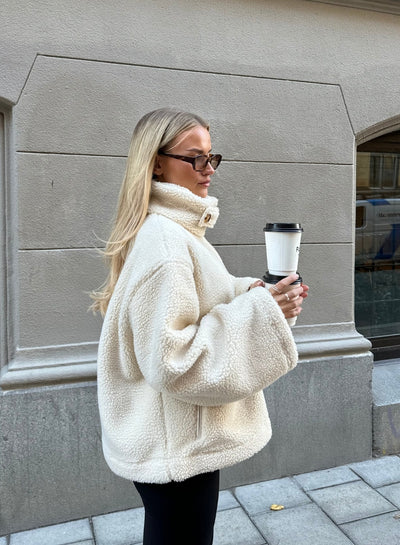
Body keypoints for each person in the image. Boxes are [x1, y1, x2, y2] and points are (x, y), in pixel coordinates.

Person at [91, 107, 308, 545]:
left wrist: (257, 293)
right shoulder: (166, 243)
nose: (208, 169)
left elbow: (203, 295)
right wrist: (261, 311)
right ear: (157, 163)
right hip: (178, 448)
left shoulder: (175, 230)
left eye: (212, 157)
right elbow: (173, 361)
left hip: (176, 440)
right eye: (195, 158)